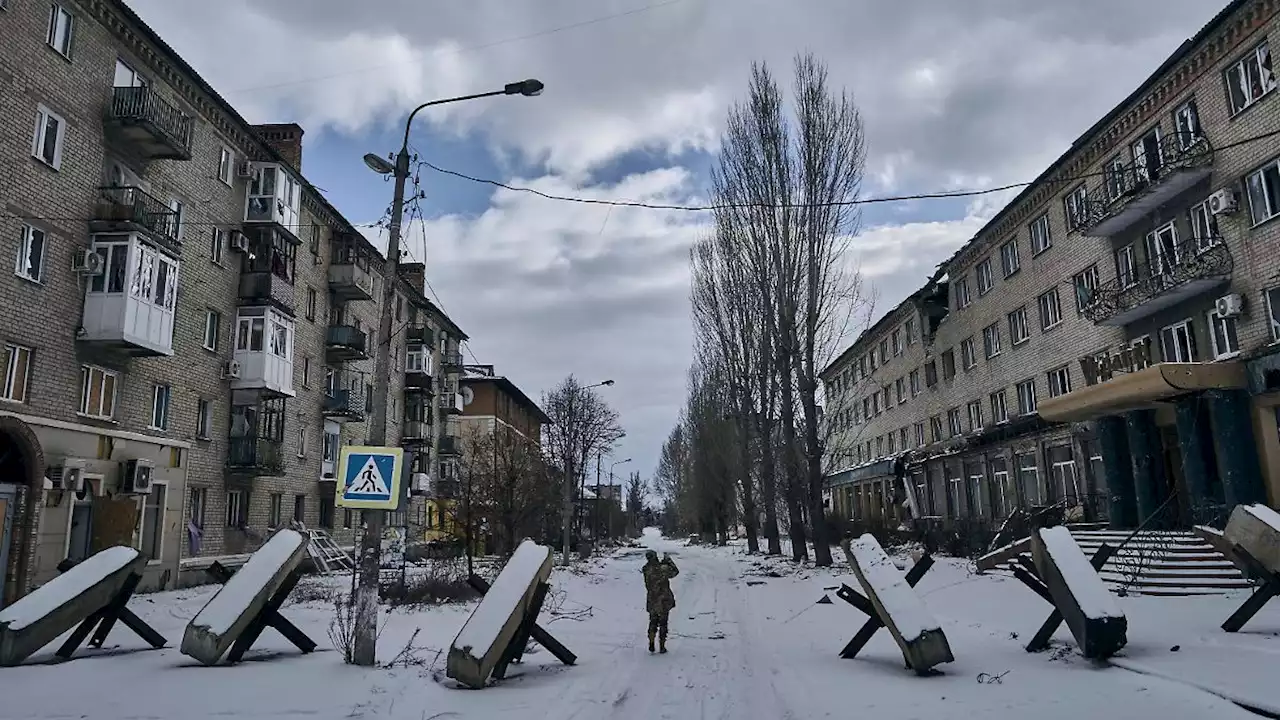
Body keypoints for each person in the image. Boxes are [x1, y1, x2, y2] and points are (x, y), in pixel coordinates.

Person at [641, 549, 679, 653]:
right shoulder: (663, 568)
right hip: (663, 600)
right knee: (663, 623)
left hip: (652, 599)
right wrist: (668, 560)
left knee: (653, 621)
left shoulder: (645, 568)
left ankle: (651, 642)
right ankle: (662, 646)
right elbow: (675, 571)